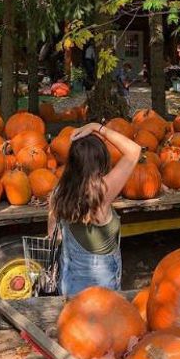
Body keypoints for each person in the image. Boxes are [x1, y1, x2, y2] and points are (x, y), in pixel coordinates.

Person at [47, 122, 143, 295]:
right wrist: (97, 127)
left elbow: (53, 227)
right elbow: (134, 151)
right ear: (102, 160)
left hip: (68, 284)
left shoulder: (59, 192)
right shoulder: (101, 192)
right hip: (101, 289)